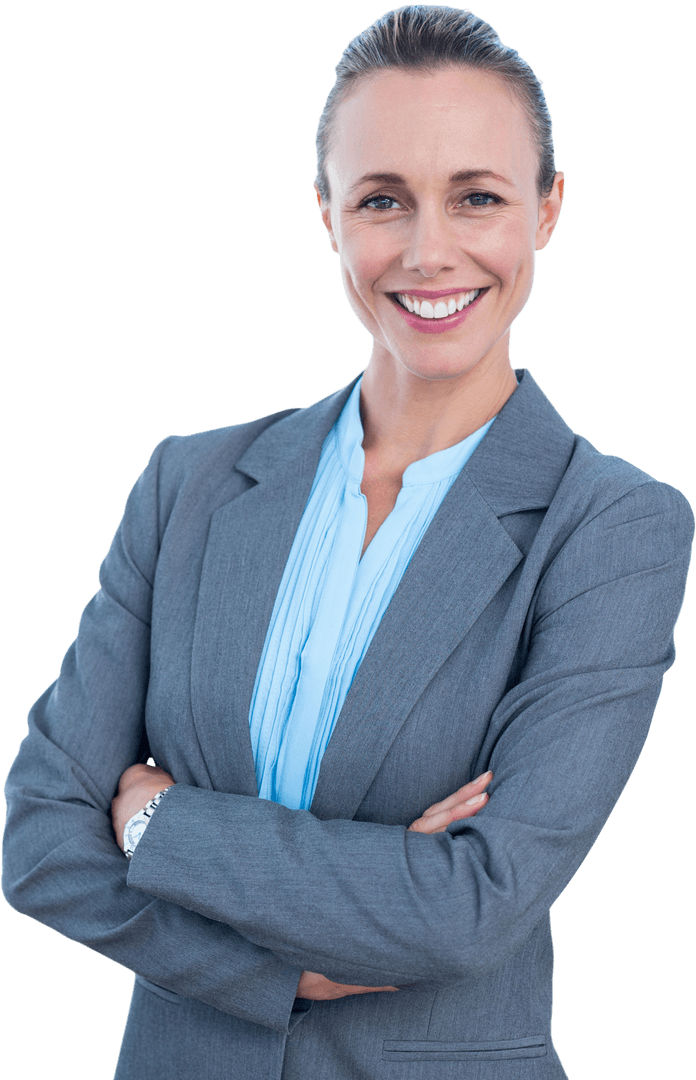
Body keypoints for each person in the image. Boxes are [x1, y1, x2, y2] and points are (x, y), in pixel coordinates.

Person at [2, 5, 693, 1079]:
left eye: (477, 197)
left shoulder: (611, 527)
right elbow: (41, 839)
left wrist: (157, 821)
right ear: (327, 212)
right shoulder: (188, 484)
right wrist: (279, 972)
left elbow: (471, 909)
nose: (429, 251)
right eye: (382, 199)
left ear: (547, 210)